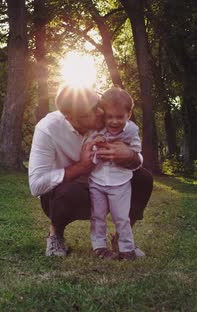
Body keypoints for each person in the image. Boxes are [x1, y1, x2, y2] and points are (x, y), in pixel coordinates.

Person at [28, 85, 153, 257]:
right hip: (72, 193)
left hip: (110, 182)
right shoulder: (47, 129)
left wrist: (130, 155)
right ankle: (55, 235)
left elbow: (136, 153)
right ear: (71, 117)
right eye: (93, 110)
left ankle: (123, 238)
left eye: (98, 105)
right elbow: (36, 185)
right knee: (67, 192)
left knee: (143, 179)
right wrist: (81, 167)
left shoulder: (108, 118)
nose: (101, 112)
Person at [88, 87, 141, 260]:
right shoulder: (99, 130)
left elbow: (136, 152)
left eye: (120, 117)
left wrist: (126, 152)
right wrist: (96, 144)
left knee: (121, 217)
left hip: (120, 181)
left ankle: (126, 248)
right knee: (98, 215)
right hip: (97, 180)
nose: (114, 122)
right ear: (103, 115)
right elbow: (89, 149)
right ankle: (99, 246)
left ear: (129, 114)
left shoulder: (132, 131)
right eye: (110, 117)